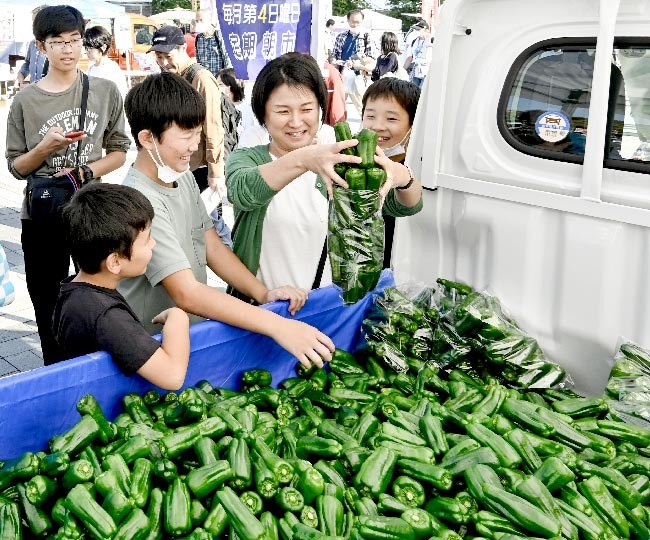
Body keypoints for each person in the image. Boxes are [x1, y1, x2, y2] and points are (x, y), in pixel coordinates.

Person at [119, 72, 334, 369]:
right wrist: (276, 325)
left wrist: (263, 293)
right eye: (186, 135)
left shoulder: (181, 178)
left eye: (198, 133)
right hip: (149, 347)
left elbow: (213, 247)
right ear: (147, 138)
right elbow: (186, 292)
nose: (195, 145)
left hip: (187, 338)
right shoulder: (139, 200)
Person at [226, 53, 423, 294]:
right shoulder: (249, 158)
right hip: (266, 311)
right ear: (263, 113)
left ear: (320, 108)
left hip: (328, 310)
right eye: (283, 111)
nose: (296, 122)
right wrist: (305, 159)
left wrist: (401, 176)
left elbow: (408, 206)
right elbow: (242, 191)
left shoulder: (342, 154)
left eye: (307, 109)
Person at [5, 5, 130, 364]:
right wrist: (46, 148)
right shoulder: (26, 100)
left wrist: (84, 172)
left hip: (91, 211)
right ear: (41, 48)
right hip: (42, 214)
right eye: (57, 42)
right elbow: (15, 167)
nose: (68, 49)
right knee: (46, 299)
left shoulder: (104, 91)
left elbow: (120, 151)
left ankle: (95, 364)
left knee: (96, 292)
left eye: (74, 40)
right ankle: (54, 368)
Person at [53, 183, 190, 390]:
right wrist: (178, 317)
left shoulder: (77, 290)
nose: (153, 244)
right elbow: (172, 376)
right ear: (115, 262)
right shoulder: (105, 315)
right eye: (146, 240)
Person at [149, 25, 225, 195]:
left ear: (183, 49)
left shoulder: (201, 79)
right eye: (159, 57)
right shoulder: (170, 77)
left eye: (168, 56)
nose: (164, 63)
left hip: (200, 168)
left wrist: (216, 172)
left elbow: (213, 128)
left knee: (207, 220)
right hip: (178, 167)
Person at [361, 77, 423, 267]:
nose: (377, 126)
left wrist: (404, 178)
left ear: (413, 125)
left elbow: (411, 204)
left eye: (391, 118)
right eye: (370, 116)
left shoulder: (419, 167)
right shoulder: (354, 163)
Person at [332, 9, 375, 114]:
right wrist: (335, 63)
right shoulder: (341, 36)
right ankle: (340, 127)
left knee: (362, 107)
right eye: (353, 21)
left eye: (358, 22)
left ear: (362, 22)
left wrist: (356, 62)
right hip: (342, 75)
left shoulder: (366, 36)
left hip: (358, 75)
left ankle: (365, 128)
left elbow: (371, 56)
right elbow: (334, 55)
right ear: (348, 20)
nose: (355, 24)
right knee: (338, 107)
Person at [83, 25, 128, 97]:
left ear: (103, 47)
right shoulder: (91, 68)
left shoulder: (112, 69)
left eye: (90, 48)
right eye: (86, 48)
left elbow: (119, 96)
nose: (87, 51)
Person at [15, 5, 49, 90]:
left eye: (36, 22)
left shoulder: (54, 45)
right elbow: (27, 63)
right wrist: (21, 74)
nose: (34, 26)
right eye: (33, 22)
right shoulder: (32, 44)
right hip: (34, 94)